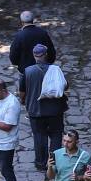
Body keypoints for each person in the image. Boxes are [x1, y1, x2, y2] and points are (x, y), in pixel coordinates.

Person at [22, 43, 65, 171]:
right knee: (56, 136)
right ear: (46, 54)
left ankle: (41, 162)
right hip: (55, 110)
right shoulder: (56, 70)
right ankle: (53, 163)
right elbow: (64, 85)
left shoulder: (28, 71)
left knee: (39, 136)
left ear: (34, 56)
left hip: (36, 110)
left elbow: (22, 91)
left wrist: (25, 101)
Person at [9, 10, 55, 87]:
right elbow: (51, 51)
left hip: (25, 70)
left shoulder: (19, 36)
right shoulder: (43, 33)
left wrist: (18, 64)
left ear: (22, 22)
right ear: (33, 20)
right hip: (42, 69)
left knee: (26, 90)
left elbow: (13, 55)